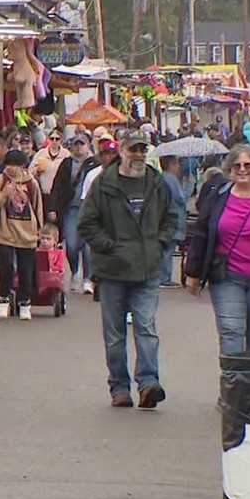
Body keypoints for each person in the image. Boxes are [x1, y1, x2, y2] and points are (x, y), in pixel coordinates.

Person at [78, 131, 177, 409]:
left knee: (146, 326)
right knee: (115, 334)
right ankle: (119, 387)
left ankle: (148, 384)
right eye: (134, 149)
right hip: (112, 272)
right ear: (122, 150)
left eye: (143, 150)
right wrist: (109, 246)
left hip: (147, 269)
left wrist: (159, 243)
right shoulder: (104, 184)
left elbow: (171, 218)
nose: (139, 155)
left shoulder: (157, 184)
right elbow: (86, 223)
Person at [183, 145, 250, 355]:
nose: (242, 169)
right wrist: (193, 273)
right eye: (237, 166)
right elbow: (201, 233)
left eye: (248, 165)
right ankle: (235, 386)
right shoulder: (218, 196)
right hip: (227, 277)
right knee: (231, 334)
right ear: (230, 170)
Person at [0, 149, 43, 320]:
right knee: (7, 267)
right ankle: (3, 301)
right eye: (8, 164)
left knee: (26, 271)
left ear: (22, 166)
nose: (10, 168)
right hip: (5, 232)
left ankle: (25, 303)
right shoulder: (0, 180)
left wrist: (40, 230)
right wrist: (3, 195)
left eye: (14, 165)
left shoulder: (31, 183)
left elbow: (37, 206)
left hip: (27, 233)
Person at [48, 133, 100, 293]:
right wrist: (53, 208)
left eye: (81, 144)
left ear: (88, 146)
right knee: (71, 244)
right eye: (76, 144)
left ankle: (87, 279)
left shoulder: (95, 163)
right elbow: (57, 186)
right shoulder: (66, 163)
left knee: (87, 245)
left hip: (90, 208)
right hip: (70, 208)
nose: (78, 147)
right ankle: (75, 270)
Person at [158, 155, 189, 288]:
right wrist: (189, 187)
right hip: (174, 218)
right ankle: (165, 278)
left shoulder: (160, 177)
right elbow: (181, 198)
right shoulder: (171, 179)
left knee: (165, 249)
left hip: (163, 218)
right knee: (168, 250)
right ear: (172, 164)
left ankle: (162, 276)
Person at [30, 129, 69, 196]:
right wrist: (37, 171)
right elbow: (30, 171)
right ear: (48, 140)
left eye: (57, 139)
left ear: (61, 140)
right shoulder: (41, 153)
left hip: (59, 193)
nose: (54, 141)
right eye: (52, 138)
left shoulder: (66, 154)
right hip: (43, 192)